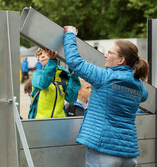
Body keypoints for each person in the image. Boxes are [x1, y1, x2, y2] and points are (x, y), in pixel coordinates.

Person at [64, 26, 148, 166]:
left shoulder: (104, 77)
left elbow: (75, 61)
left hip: (103, 151)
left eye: (109, 52)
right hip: (129, 155)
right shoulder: (138, 85)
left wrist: (70, 35)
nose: (105, 55)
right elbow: (144, 96)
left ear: (121, 60)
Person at [28, 48, 80, 119]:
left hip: (59, 120)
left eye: (46, 53)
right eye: (40, 54)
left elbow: (71, 99)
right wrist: (52, 61)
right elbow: (43, 84)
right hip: (39, 120)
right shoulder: (37, 74)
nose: (42, 56)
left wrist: (74, 75)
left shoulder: (63, 75)